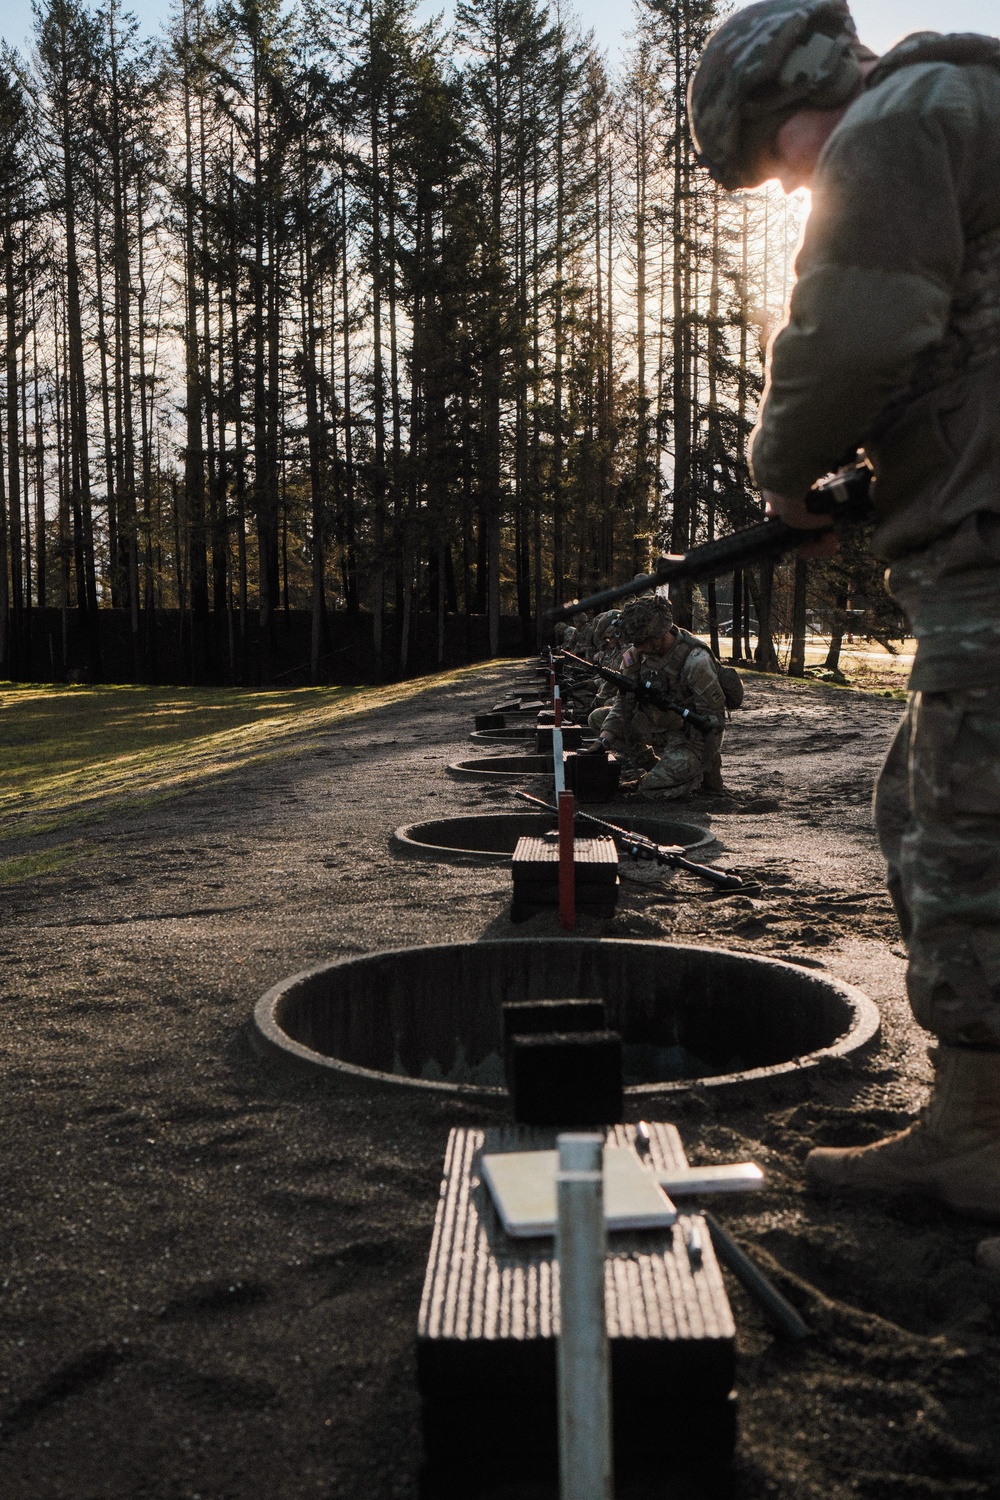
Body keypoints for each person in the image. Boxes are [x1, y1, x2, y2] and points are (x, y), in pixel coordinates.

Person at [688, 1, 1000, 1229]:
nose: (789, 186)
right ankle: (975, 1115)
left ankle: (981, 1138)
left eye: (775, 161)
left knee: (967, 840)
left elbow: (855, 325)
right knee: (918, 803)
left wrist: (784, 468)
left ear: (794, 95)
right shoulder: (965, 110)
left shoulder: (901, 115)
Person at [595, 597, 728, 797]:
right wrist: (603, 741)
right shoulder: (636, 656)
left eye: (642, 642)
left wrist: (680, 725)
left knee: (651, 789)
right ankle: (653, 764)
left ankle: (697, 774)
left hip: (691, 739)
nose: (637, 648)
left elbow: (714, 724)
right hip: (656, 725)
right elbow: (624, 705)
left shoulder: (696, 662)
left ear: (660, 634)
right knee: (599, 719)